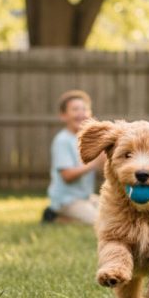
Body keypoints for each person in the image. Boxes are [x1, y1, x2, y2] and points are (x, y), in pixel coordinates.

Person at [41, 90, 105, 225]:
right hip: (67, 200)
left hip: (86, 197)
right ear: (64, 116)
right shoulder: (62, 140)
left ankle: (72, 215)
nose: (81, 113)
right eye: (75, 109)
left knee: (113, 211)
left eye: (85, 109)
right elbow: (67, 176)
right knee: (100, 222)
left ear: (90, 114)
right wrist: (93, 163)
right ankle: (56, 216)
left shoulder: (88, 140)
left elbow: (102, 166)